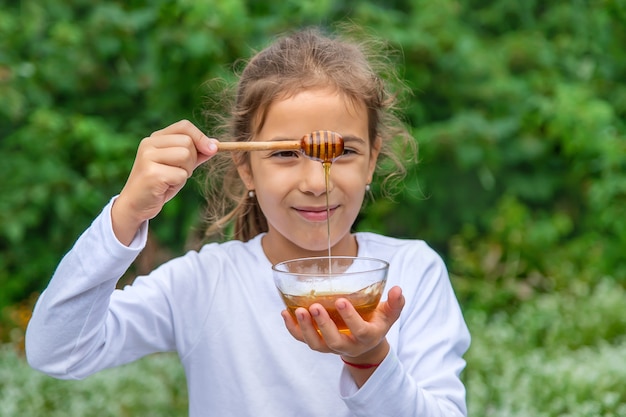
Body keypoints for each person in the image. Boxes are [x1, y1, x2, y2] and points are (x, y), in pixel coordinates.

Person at [25, 26, 470, 417]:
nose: (317, 182)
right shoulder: (205, 282)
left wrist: (370, 359)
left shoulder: (412, 272)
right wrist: (126, 213)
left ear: (372, 160)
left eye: (343, 151)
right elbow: (58, 351)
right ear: (245, 167)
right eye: (283, 153)